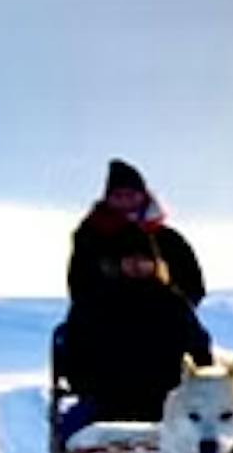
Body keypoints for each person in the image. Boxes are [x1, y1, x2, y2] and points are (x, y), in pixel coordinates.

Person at [54, 159, 213, 431]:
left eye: (131, 193)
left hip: (165, 376)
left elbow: (194, 287)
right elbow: (79, 286)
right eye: (119, 195)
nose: (126, 200)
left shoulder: (170, 242)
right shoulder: (89, 236)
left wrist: (171, 304)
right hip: (107, 377)